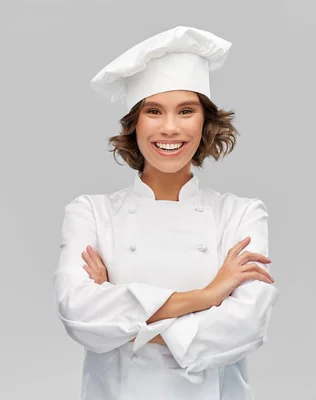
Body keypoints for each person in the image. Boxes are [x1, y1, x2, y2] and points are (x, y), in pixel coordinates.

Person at [54, 26, 280, 400]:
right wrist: (207, 297)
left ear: (205, 122)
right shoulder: (90, 213)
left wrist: (120, 314)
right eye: (154, 111)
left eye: (186, 111)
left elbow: (248, 325)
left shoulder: (241, 214)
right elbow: (77, 313)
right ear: (134, 124)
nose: (170, 127)